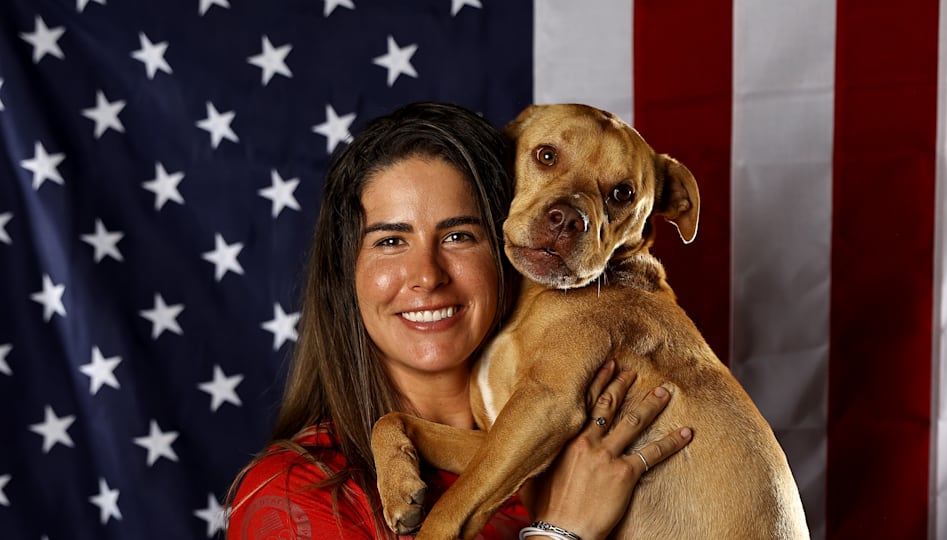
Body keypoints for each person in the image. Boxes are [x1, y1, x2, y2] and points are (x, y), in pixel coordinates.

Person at [225, 102, 693, 540]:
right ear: (344, 269)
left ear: (503, 246)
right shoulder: (291, 495)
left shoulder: (595, 442)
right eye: (390, 241)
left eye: (459, 235)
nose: (427, 276)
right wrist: (560, 531)